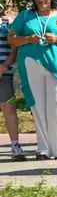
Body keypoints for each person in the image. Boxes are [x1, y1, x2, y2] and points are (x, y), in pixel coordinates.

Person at [6, 0, 57, 160]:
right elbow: (12, 39)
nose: (41, 0)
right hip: (31, 64)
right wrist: (27, 39)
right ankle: (43, 149)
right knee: (38, 107)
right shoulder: (25, 16)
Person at [0, 10, 25, 161]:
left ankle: (15, 145)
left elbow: (14, 48)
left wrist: (4, 67)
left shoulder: (7, 23)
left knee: (8, 108)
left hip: (4, 74)